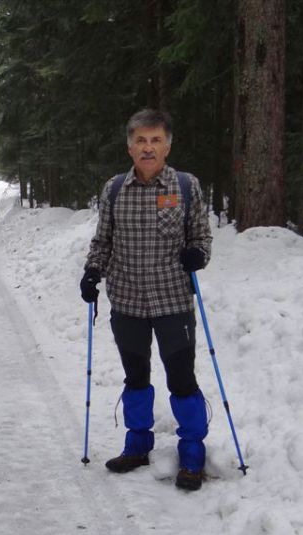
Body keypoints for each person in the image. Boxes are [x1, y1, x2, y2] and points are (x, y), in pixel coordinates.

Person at [80, 108, 213, 492]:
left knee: (182, 379)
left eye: (156, 140)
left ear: (168, 146)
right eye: (141, 140)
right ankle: (138, 444)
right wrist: (92, 271)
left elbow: (201, 237)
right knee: (136, 376)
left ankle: (192, 451)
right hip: (127, 301)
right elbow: (103, 240)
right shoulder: (115, 189)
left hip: (173, 301)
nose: (148, 148)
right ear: (129, 147)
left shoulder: (186, 186)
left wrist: (198, 256)